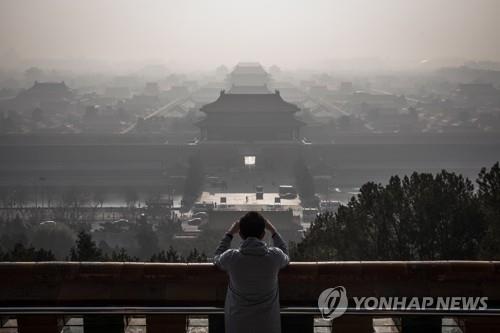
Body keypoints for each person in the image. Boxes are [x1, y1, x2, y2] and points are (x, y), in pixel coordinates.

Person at [214, 211, 290, 333]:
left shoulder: (231, 258)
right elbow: (285, 254)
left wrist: (229, 234)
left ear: (240, 234)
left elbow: (217, 257)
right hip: (268, 326)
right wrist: (273, 230)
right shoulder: (274, 256)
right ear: (263, 234)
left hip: (237, 326)